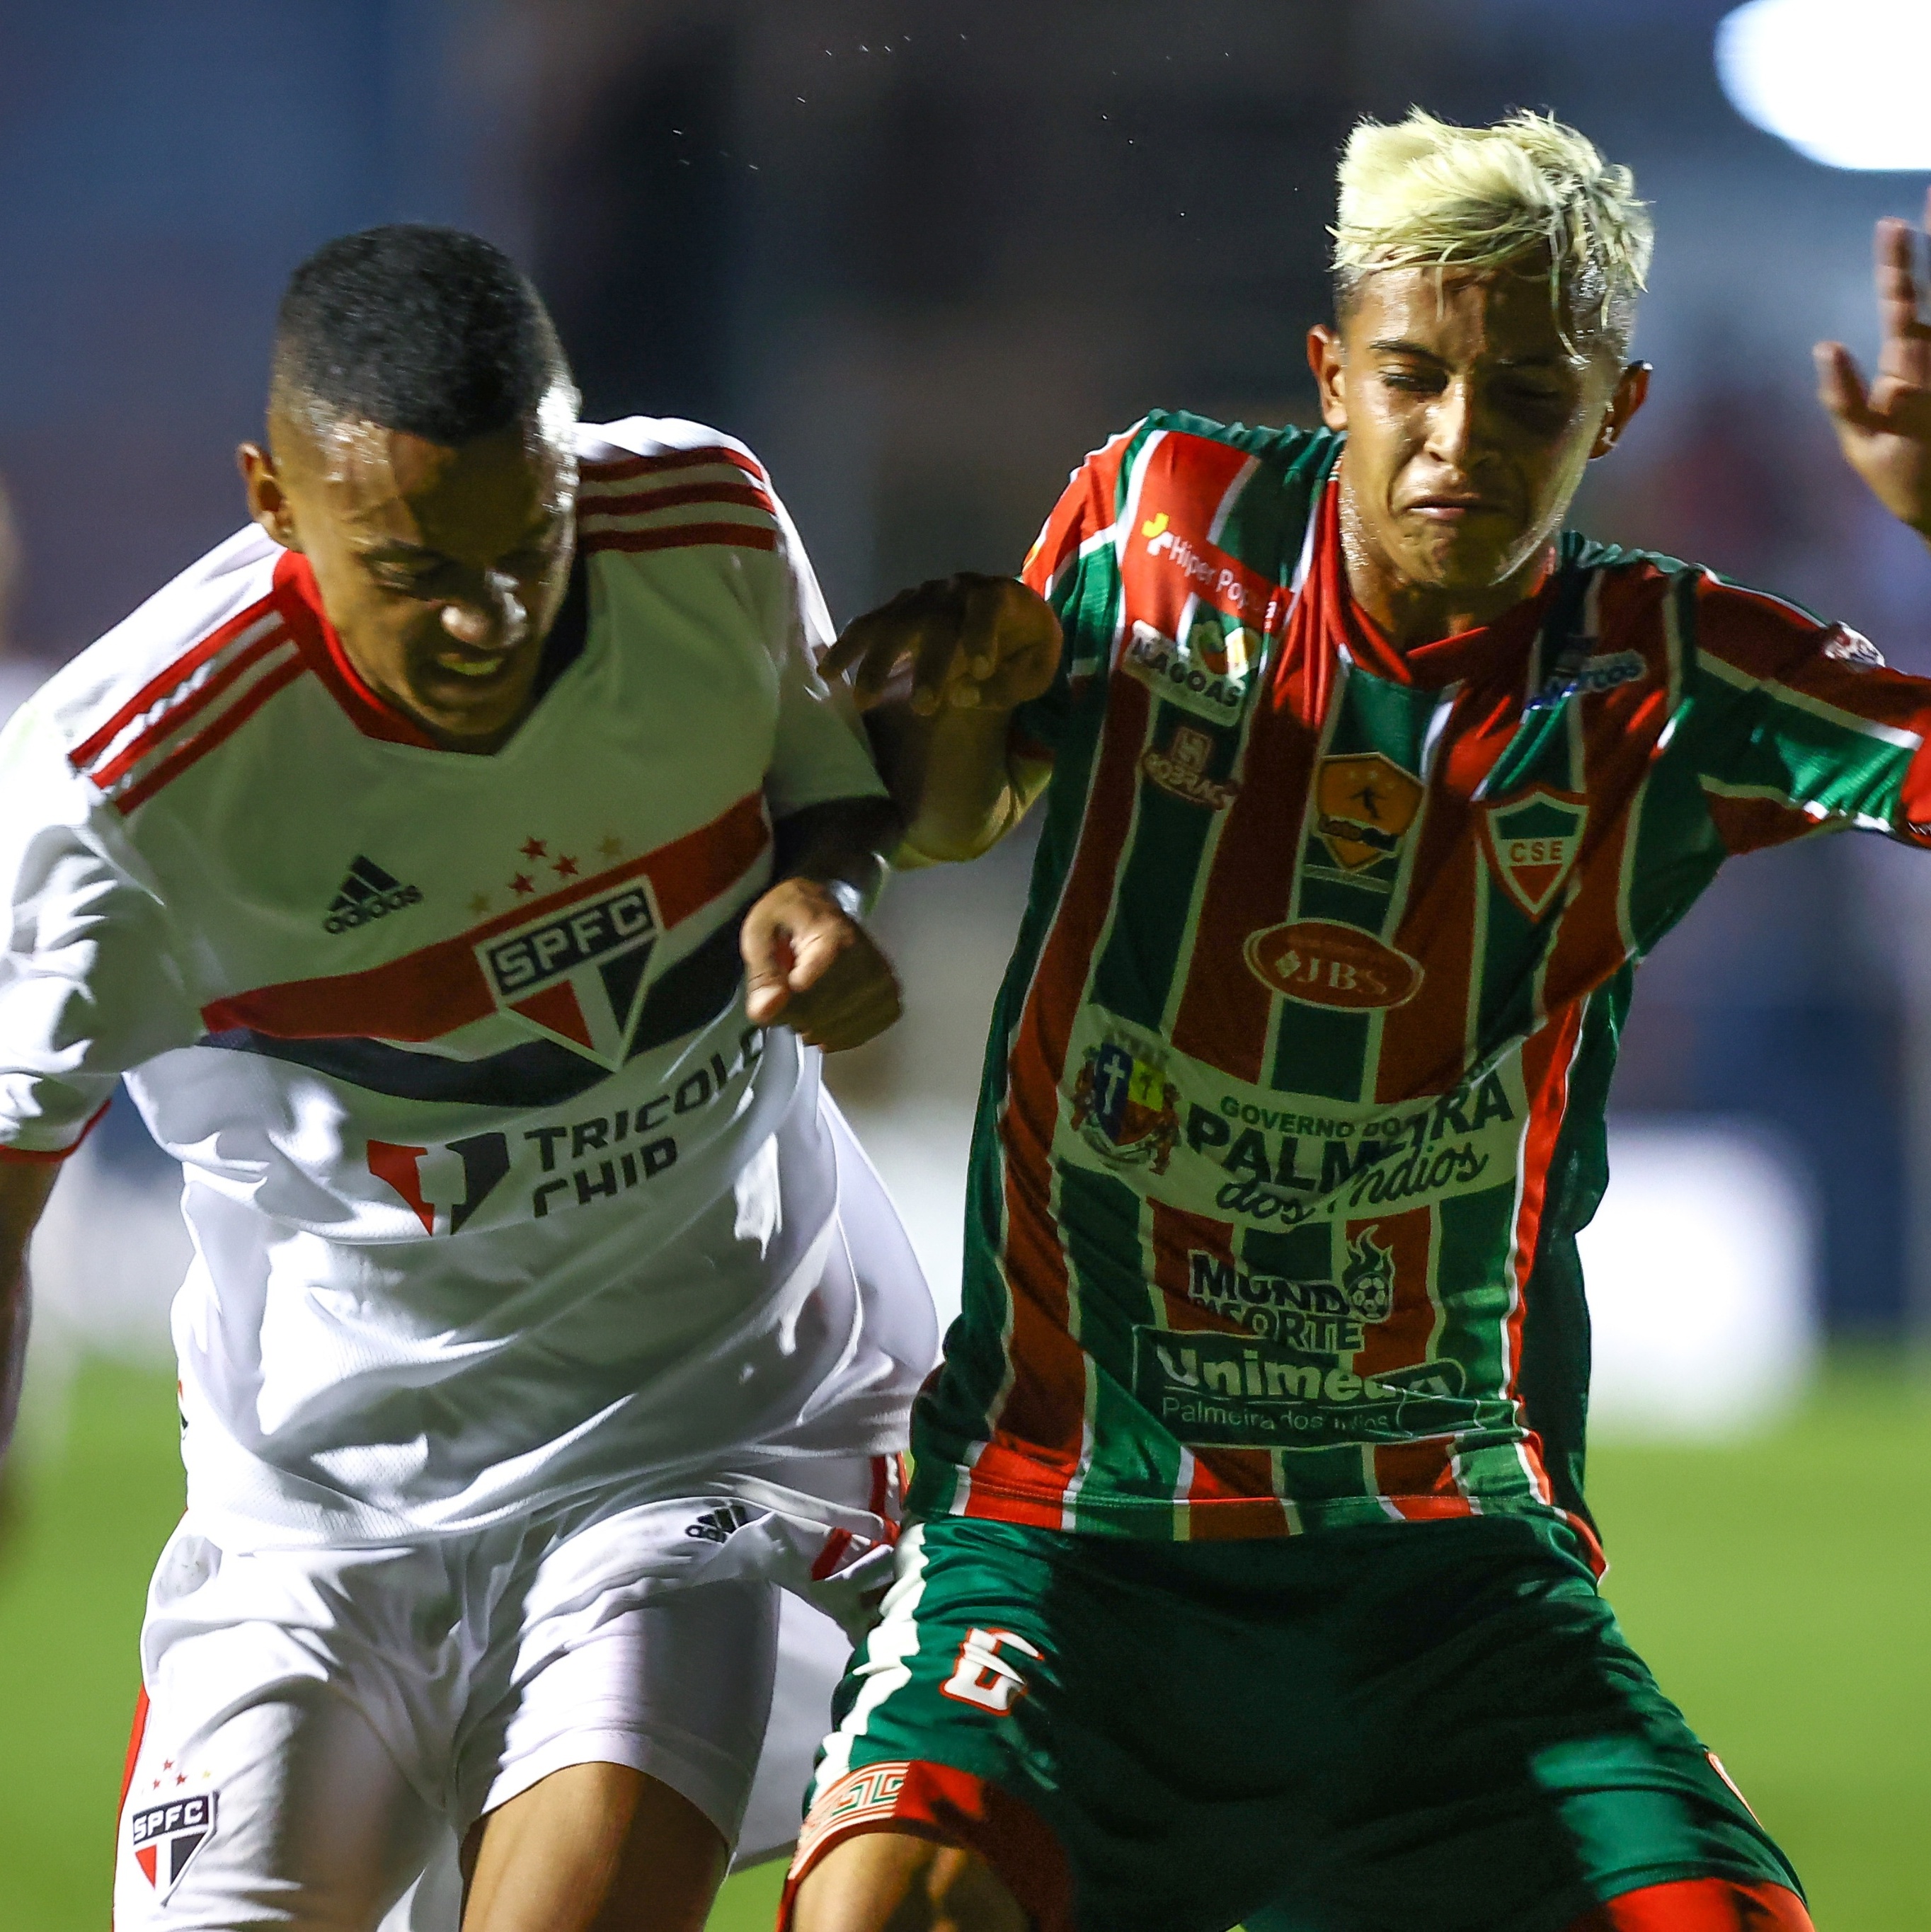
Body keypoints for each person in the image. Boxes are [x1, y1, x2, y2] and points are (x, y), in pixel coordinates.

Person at [787, 113, 1931, 1932]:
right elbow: (955, 798)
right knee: (886, 1907)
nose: (1461, 442)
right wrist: (894, 757)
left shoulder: (1673, 672)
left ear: (1614, 412)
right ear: (1332, 370)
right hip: (1067, 1538)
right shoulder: (1159, 520)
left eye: (1530, 396)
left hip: (1448, 1576)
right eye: (1414, 378)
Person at [0, 224, 938, 1931]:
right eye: (419, 567)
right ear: (274, 507)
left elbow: (826, 787)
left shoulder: (704, 532)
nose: (492, 616)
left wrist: (828, 891)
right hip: (320, 1517)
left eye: (532, 546)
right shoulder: (116, 795)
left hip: (698, 1429)